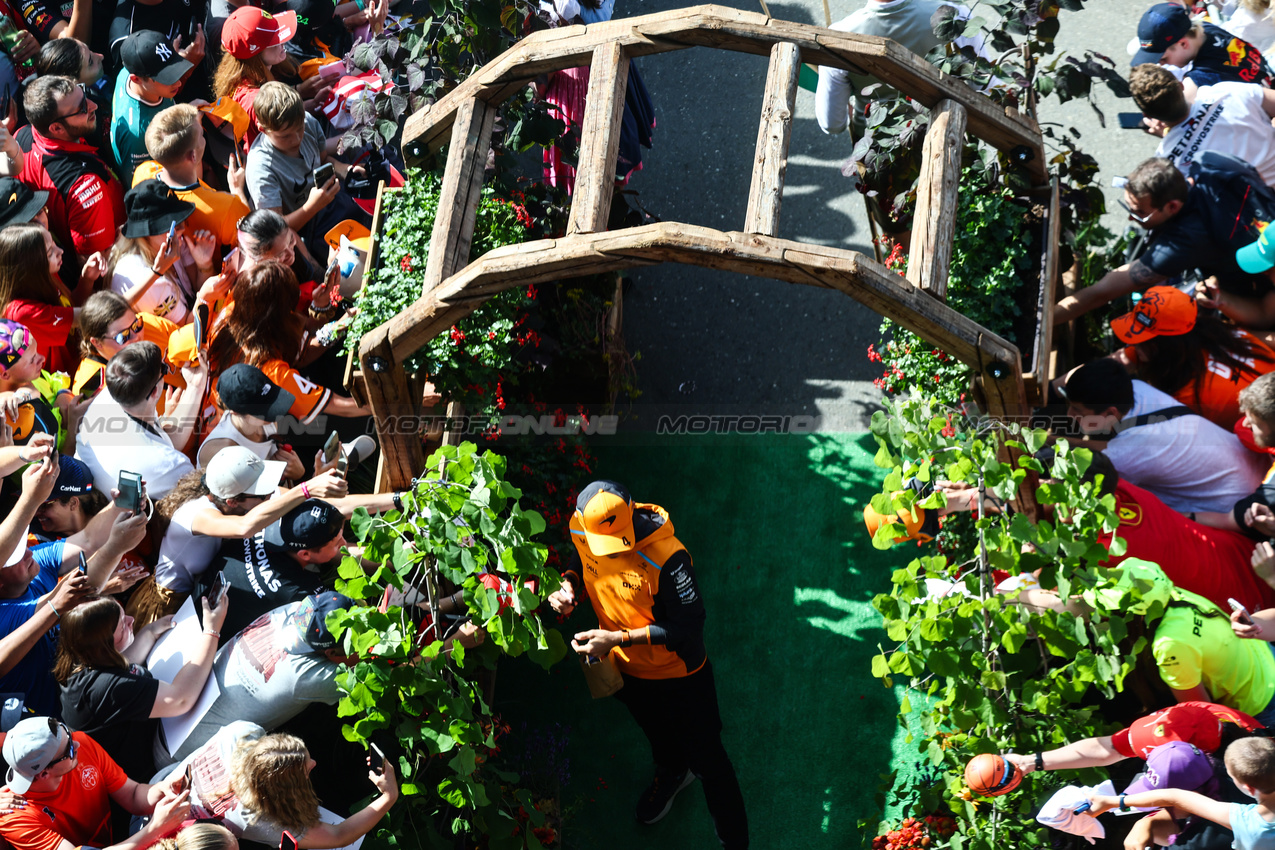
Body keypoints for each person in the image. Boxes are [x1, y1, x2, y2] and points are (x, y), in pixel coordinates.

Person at [547, 480, 748, 848]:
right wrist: (570, 585)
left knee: (711, 763)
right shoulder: (580, 528)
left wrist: (618, 638)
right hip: (627, 669)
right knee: (655, 730)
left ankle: (735, 842)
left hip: (680, 676)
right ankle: (672, 772)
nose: (613, 549)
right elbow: (581, 560)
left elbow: (687, 627)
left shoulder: (668, 558)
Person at [126, 448, 347, 628]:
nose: (270, 495)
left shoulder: (232, 497)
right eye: (263, 493)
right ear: (232, 501)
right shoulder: (197, 514)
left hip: (203, 593)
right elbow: (244, 528)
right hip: (169, 605)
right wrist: (305, 489)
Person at [0, 452, 148, 717]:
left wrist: (122, 504)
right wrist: (116, 546)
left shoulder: (33, 565)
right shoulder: (4, 618)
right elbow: (81, 591)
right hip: (52, 718)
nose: (29, 552)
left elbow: (89, 540)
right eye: (15, 556)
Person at [1053, 157, 1275, 325]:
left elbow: (1103, 292)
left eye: (1140, 213)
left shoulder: (1184, 241)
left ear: (1172, 206)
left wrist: (1047, 321)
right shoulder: (1212, 162)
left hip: (1257, 297)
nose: (1132, 218)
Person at [160, 593, 354, 764]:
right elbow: (365, 671)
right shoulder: (303, 677)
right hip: (182, 762)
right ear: (330, 651)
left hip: (168, 722)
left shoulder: (294, 610)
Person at [54, 592, 228, 781]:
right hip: (149, 767)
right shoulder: (106, 688)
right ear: (104, 645)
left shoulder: (78, 658)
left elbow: (126, 661)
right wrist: (212, 631)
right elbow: (181, 699)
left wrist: (150, 631)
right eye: (122, 625)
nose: (132, 620)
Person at [1061, 358, 1267, 514]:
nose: (1069, 415)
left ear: (1110, 413)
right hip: (1260, 471)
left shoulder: (1129, 454)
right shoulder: (1139, 390)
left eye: (1077, 410)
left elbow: (1110, 458)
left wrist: (1054, 443)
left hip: (1238, 509)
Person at [161, 722, 398, 847]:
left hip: (157, 791)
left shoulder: (240, 733)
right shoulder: (260, 820)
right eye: (307, 769)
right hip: (173, 837)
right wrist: (389, 796)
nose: (314, 763)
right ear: (283, 792)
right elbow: (338, 835)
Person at [206, 262, 369, 422]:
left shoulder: (234, 309)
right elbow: (341, 407)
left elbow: (302, 343)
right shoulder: (270, 372)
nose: (294, 311)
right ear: (276, 317)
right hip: (249, 432)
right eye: (290, 306)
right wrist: (382, 404)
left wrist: (325, 309)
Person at [0, 716, 192, 850]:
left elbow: (133, 794)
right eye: (68, 750)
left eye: (67, 734)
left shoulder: (81, 744)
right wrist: (155, 829)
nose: (77, 745)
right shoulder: (15, 819)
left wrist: (162, 789)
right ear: (43, 773)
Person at [1109, 286, 1275, 428]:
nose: (1133, 345)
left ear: (1166, 345)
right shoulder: (1216, 332)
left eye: (1141, 340)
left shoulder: (1186, 396)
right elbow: (1122, 358)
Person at [17, 75, 125, 282]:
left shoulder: (22, 136)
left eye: (84, 94)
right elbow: (96, 264)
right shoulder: (86, 187)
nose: (93, 105)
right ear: (56, 129)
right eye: (82, 108)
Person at [1085, 736, 1275, 849]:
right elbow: (1175, 797)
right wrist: (1145, 823)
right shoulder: (1245, 793)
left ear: (1249, 787)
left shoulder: (1246, 824)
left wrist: (1115, 802)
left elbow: (1174, 797)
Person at [243, 81, 365, 255]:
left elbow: (323, 159)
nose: (296, 139)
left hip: (331, 200)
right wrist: (312, 207)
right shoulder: (261, 169)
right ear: (263, 130)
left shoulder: (308, 122)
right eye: (285, 136)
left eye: (299, 129)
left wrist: (345, 169)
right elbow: (277, 231)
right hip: (307, 229)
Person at [74, 341, 206, 498]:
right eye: (164, 369)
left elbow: (167, 444)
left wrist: (195, 387)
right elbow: (199, 500)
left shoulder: (110, 394)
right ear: (155, 391)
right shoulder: (169, 463)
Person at [203, 497, 344, 641]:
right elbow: (338, 618)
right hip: (209, 640)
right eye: (338, 543)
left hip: (196, 603)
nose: (344, 543)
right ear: (305, 554)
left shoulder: (262, 521)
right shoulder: (298, 589)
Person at [1005, 700, 1263, 775]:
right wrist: (1032, 762)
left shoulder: (1244, 780)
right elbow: (1108, 748)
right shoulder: (1200, 713)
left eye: (1152, 756)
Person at [1130, 63, 1275, 185]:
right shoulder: (1226, 92)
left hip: (1261, 209)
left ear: (1147, 115)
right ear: (1181, 86)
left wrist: (1170, 136)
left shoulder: (1169, 160)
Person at [132, 105, 250, 250]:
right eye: (201, 134)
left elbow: (191, 183)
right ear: (193, 155)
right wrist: (237, 189)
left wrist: (189, 119)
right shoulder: (228, 208)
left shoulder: (143, 174)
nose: (203, 136)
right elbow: (254, 238)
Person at [107, 180, 216, 326]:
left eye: (181, 219)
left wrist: (204, 264)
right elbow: (189, 329)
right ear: (146, 234)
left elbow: (197, 285)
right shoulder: (150, 282)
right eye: (172, 226)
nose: (182, 229)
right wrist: (206, 297)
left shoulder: (169, 242)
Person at [0, 224, 94, 374]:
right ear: (31, 267)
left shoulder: (47, 275)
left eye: (54, 244)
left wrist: (87, 279)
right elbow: (87, 316)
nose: (60, 251)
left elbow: (71, 307)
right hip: (61, 388)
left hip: (77, 362)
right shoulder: (22, 313)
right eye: (50, 252)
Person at [1131, 3, 1275, 95]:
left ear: (1183, 44)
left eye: (1163, 58)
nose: (1161, 64)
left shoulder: (1200, 80)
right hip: (1265, 79)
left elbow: (1178, 114)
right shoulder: (1207, 28)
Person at [110, 31, 191, 184]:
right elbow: (143, 188)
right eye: (167, 78)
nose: (178, 83)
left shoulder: (127, 71)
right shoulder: (139, 134)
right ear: (137, 79)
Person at [214, 7, 298, 152]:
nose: (283, 40)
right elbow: (287, 148)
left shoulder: (238, 75)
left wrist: (303, 99)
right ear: (255, 54)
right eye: (275, 39)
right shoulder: (255, 100)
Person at [72, 290, 178, 397]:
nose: (136, 337)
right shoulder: (91, 390)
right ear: (97, 343)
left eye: (136, 325)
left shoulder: (150, 324)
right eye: (122, 336)